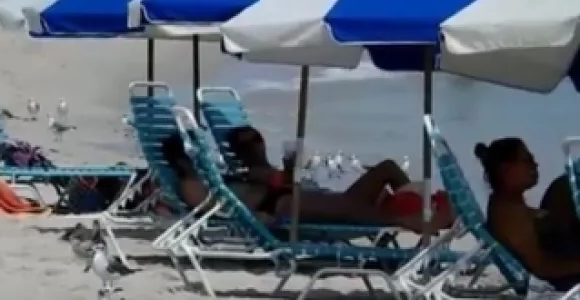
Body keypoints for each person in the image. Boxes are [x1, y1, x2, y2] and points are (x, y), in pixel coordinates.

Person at [226, 126, 454, 234]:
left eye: (257, 138)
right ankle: (418, 214)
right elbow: (242, 207)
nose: (256, 144)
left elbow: (303, 182)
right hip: (347, 210)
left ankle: (416, 206)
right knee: (387, 175)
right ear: (238, 152)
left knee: (389, 170)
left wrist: (292, 171)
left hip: (342, 201)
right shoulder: (248, 179)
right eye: (248, 143)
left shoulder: (273, 170)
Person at [475, 138, 580, 290]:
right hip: (565, 278)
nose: (535, 165)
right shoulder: (510, 218)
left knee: (564, 186)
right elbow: (543, 267)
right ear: (506, 170)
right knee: (564, 186)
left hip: (566, 250)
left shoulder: (507, 204)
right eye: (527, 161)